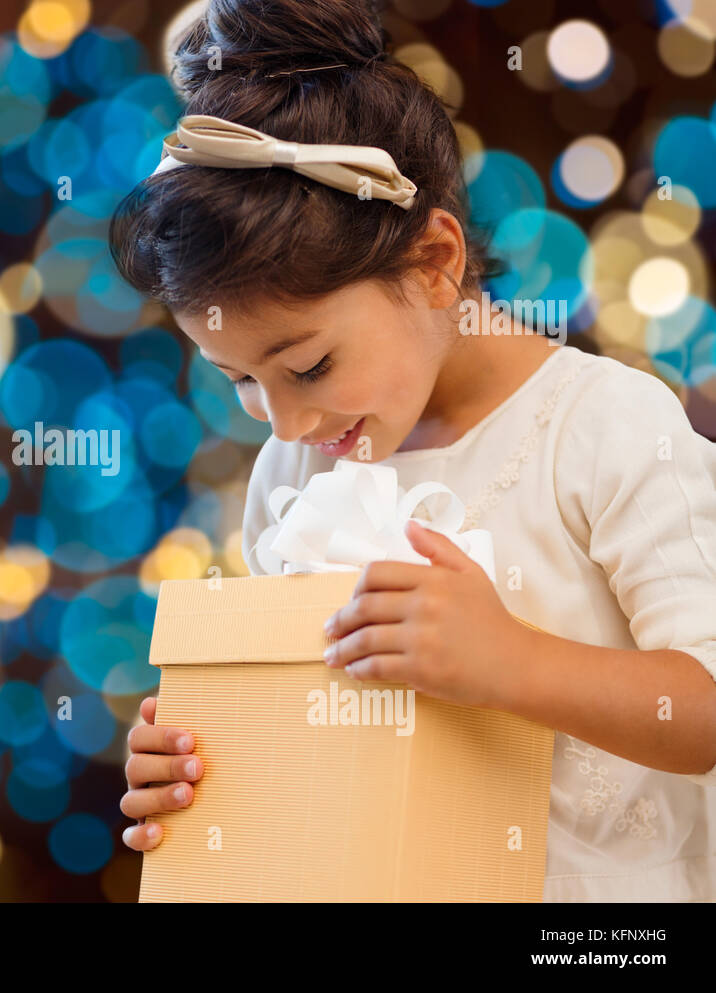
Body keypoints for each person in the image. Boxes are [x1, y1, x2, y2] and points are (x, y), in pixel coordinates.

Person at [111, 0, 716, 901]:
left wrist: (514, 663)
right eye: (239, 380)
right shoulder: (297, 470)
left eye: (309, 364)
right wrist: (206, 756)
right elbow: (325, 733)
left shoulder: (604, 427)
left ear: (436, 262)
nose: (281, 423)